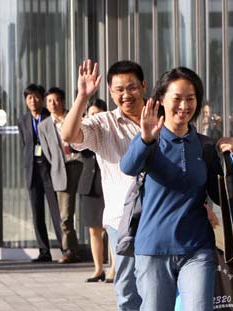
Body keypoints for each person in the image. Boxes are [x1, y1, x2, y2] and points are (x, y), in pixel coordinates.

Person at [119, 67, 233, 311]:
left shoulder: (205, 146)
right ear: (162, 100)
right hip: (154, 249)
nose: (184, 106)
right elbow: (128, 167)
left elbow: (222, 196)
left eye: (190, 98)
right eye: (177, 98)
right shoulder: (150, 139)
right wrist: (145, 139)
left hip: (197, 248)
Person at [61, 59, 145, 309]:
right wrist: (82, 97)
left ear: (143, 86)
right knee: (128, 288)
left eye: (131, 87)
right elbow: (68, 135)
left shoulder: (163, 118)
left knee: (160, 284)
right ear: (110, 92)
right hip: (123, 220)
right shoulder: (103, 124)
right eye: (119, 89)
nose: (126, 94)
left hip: (162, 216)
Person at [17, 84, 62, 262]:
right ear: (26, 101)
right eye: (29, 98)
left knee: (56, 212)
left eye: (36, 97)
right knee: (37, 213)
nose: (33, 101)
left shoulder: (49, 117)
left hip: (49, 169)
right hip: (33, 170)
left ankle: (65, 248)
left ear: (41, 99)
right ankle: (44, 252)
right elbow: (25, 145)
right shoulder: (22, 120)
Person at [38, 87, 83, 264]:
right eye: (49, 101)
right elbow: (47, 152)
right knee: (65, 214)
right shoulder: (44, 126)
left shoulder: (74, 115)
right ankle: (70, 250)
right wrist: (58, 164)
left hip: (79, 163)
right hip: (62, 169)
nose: (53, 104)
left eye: (56, 100)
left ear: (63, 101)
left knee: (91, 207)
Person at [78, 98, 115, 283]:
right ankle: (98, 268)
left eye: (97, 114)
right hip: (89, 185)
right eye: (91, 114)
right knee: (94, 229)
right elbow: (71, 145)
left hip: (107, 185)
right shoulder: (83, 133)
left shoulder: (111, 134)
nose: (94, 118)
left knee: (112, 229)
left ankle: (114, 269)